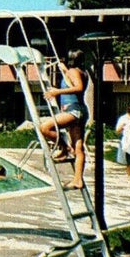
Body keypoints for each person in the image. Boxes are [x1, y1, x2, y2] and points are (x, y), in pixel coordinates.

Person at [39, 49, 88, 190]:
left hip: (73, 110)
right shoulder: (80, 72)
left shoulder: (73, 71)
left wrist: (56, 92)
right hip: (80, 111)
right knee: (78, 148)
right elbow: (74, 82)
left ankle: (64, 147)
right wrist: (65, 71)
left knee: (45, 127)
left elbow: (78, 87)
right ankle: (78, 179)